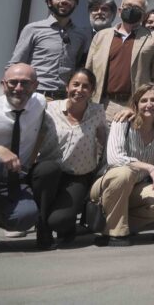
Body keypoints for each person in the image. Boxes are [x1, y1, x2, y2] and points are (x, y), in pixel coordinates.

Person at [0, 64, 61, 256]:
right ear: (3, 84)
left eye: (25, 83)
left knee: (25, 217)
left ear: (35, 86)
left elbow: (62, 106)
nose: (18, 88)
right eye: (13, 82)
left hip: (11, 182)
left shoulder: (39, 103)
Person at [89, 83, 154, 247]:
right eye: (144, 100)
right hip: (107, 184)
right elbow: (115, 159)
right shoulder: (123, 122)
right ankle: (115, 234)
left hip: (135, 188)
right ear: (136, 104)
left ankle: (117, 225)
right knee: (124, 173)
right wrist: (149, 167)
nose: (149, 104)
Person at [37, 68, 108, 247]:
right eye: (75, 84)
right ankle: (42, 227)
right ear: (67, 86)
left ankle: (64, 225)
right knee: (47, 171)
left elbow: (104, 141)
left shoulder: (98, 112)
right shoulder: (49, 109)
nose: (80, 90)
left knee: (59, 220)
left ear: (92, 91)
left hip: (77, 175)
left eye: (86, 86)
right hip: (49, 173)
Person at [86, 0, 154, 122]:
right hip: (102, 104)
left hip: (134, 106)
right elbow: (88, 72)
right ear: (119, 11)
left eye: (137, 8)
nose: (131, 9)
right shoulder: (101, 36)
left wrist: (144, 105)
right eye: (128, 6)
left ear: (144, 15)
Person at [9, 0, 90, 100]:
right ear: (49, 2)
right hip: (35, 96)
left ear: (75, 3)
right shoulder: (33, 29)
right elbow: (16, 64)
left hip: (65, 100)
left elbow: (77, 66)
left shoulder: (81, 35)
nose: (64, 0)